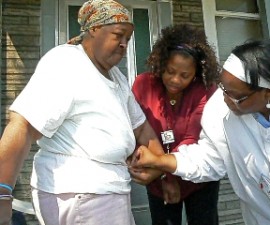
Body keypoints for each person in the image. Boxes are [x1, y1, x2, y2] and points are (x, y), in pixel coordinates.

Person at [0, 0, 164, 225]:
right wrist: (2, 193)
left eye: (128, 38)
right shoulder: (66, 64)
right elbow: (23, 125)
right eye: (118, 35)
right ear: (94, 29)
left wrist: (157, 162)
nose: (124, 44)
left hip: (107, 192)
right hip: (82, 194)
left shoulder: (116, 77)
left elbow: (141, 126)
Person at [130, 39, 270, 225]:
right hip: (264, 218)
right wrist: (160, 161)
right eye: (223, 88)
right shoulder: (220, 108)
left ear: (267, 92)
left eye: (235, 95)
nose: (225, 98)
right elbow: (208, 158)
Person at [131, 24, 220, 225]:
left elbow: (192, 138)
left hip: (198, 178)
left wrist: (164, 172)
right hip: (157, 180)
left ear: (196, 73)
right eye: (170, 71)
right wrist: (164, 179)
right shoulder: (143, 85)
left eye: (185, 75)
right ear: (162, 63)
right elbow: (137, 130)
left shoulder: (205, 90)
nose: (175, 80)